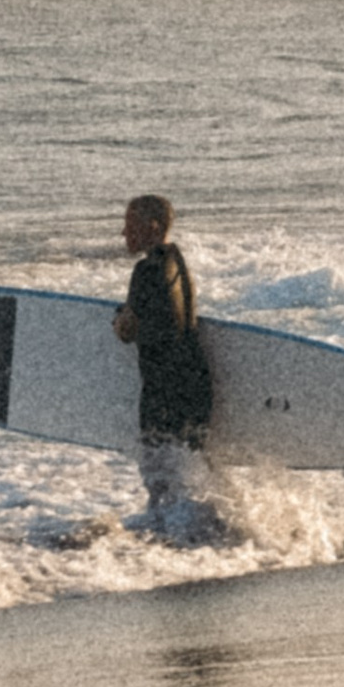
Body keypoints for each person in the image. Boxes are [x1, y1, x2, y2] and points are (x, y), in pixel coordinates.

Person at [112, 193, 219, 536]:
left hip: (165, 386)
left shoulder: (146, 270)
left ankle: (174, 543)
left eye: (130, 226)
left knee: (160, 475)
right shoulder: (178, 263)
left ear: (152, 227)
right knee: (189, 469)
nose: (123, 234)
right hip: (194, 379)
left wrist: (118, 320)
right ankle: (200, 535)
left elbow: (128, 330)